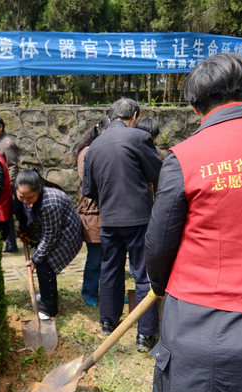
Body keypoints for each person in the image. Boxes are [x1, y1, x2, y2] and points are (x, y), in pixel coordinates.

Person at [146, 52, 242, 392]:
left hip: (200, 325)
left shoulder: (186, 158)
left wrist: (160, 285)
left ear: (196, 109)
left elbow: (159, 245)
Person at [82, 97, 162, 352]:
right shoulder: (138, 138)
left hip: (109, 218)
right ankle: (145, 335)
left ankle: (108, 322)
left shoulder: (94, 146)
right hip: (138, 218)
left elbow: (88, 189)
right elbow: (157, 172)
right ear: (135, 116)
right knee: (142, 274)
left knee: (110, 269)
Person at [14, 169, 82, 320]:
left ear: (39, 189)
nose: (25, 201)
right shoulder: (23, 196)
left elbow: (50, 236)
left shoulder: (51, 202)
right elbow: (25, 214)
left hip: (66, 235)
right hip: (50, 232)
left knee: (46, 265)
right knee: (43, 265)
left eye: (29, 197)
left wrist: (35, 259)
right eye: (21, 197)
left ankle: (49, 308)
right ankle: (46, 293)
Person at [76, 117, 110, 307]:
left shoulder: (101, 150)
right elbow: (87, 181)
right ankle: (89, 292)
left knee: (110, 258)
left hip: (107, 211)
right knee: (95, 257)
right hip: (93, 213)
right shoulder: (86, 153)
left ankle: (108, 293)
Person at [0, 115, 19, 252]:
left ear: (0, 127)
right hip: (0, 184)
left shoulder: (7, 143)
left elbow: (13, 166)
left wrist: (11, 185)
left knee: (7, 215)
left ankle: (11, 243)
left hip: (6, 185)